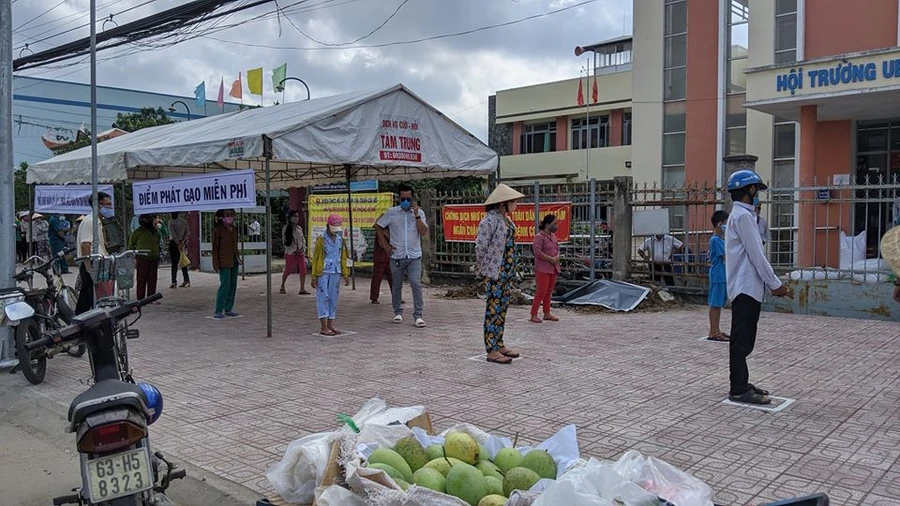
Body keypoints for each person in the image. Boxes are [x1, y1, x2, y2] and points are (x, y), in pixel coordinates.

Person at [725, 169, 791, 405]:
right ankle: (738, 388)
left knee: (744, 339)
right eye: (756, 191)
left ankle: (742, 382)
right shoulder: (743, 217)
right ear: (749, 191)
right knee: (742, 341)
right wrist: (776, 284)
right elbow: (757, 256)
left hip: (747, 286)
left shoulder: (742, 215)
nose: (757, 196)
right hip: (746, 286)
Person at [475, 184, 525, 365]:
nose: (516, 205)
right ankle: (491, 350)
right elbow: (480, 246)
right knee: (493, 310)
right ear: (503, 203)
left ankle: (499, 343)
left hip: (507, 272)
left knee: (502, 308)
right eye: (514, 202)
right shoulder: (489, 221)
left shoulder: (507, 220)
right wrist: (482, 268)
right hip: (495, 272)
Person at [375, 185, 428, 327]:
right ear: (399, 198)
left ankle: (418, 315)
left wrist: (416, 215)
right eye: (403, 198)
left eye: (408, 199)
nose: (405, 201)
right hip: (397, 255)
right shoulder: (392, 213)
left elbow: (423, 232)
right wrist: (385, 245)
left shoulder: (419, 213)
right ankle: (397, 311)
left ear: (412, 199)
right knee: (396, 285)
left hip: (414, 255)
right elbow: (378, 225)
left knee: (415, 283)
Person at [75, 192, 122, 314]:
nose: (110, 207)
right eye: (108, 204)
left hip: (99, 263)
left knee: (88, 298)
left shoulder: (98, 221)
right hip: (92, 263)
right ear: (98, 206)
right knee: (92, 297)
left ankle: (79, 322)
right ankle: (82, 325)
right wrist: (89, 267)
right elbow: (85, 245)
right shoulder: (91, 221)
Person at [311, 214, 350, 336]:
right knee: (323, 297)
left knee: (333, 298)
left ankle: (330, 324)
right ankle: (323, 326)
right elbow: (316, 258)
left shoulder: (340, 240)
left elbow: (343, 257)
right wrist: (313, 276)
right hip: (323, 272)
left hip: (336, 271)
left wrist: (345, 273)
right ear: (327, 226)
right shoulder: (321, 240)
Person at [530, 214, 561, 324]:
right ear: (547, 224)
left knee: (548, 292)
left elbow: (557, 248)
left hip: (553, 268)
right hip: (543, 268)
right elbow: (537, 253)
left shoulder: (553, 236)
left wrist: (556, 257)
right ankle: (533, 314)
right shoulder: (539, 237)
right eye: (554, 224)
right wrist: (550, 259)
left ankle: (547, 313)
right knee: (541, 292)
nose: (556, 226)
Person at [211, 209, 240, 319]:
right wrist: (216, 263)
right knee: (225, 285)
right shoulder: (218, 230)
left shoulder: (233, 229)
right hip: (224, 261)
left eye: (232, 215)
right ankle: (219, 309)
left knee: (232, 285)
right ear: (221, 217)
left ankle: (228, 308)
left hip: (234, 260)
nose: (230, 218)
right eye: (228, 215)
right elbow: (215, 248)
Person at [707, 210, 729, 342]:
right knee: (715, 304)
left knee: (719, 303)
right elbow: (725, 256)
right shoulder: (715, 239)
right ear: (720, 224)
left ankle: (717, 329)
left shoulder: (721, 239)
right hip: (718, 274)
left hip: (722, 274)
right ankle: (713, 331)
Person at [128, 214, 161, 301]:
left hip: (154, 258)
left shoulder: (156, 232)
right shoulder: (137, 232)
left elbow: (158, 242)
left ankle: (151, 298)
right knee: (141, 279)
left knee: (152, 279)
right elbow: (131, 245)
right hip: (142, 258)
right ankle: (140, 299)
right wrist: (133, 256)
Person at [280, 210, 309, 295]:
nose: (296, 218)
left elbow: (303, 240)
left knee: (303, 270)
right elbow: (285, 241)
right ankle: (282, 285)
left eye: (297, 216)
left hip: (300, 253)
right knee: (287, 270)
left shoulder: (299, 228)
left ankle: (302, 288)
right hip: (291, 253)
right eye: (294, 216)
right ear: (290, 217)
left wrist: (303, 249)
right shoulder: (286, 228)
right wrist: (292, 250)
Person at [370, 215, 393, 304]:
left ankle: (397, 296)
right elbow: (381, 244)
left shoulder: (389, 230)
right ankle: (374, 297)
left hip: (389, 258)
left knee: (393, 279)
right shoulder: (379, 231)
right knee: (377, 278)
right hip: (380, 258)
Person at [167, 212, 191, 289]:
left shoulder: (171, 222)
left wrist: (177, 243)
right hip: (182, 243)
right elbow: (188, 233)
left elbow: (173, 235)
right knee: (183, 261)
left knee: (174, 263)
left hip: (174, 244)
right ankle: (186, 280)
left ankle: (174, 281)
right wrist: (183, 242)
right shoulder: (184, 222)